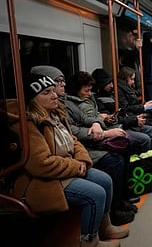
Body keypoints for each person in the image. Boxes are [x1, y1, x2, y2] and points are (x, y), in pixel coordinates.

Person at [7, 73, 129, 247]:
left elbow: (74, 141)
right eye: (46, 92)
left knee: (106, 180)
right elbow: (41, 164)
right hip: (44, 181)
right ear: (33, 99)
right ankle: (89, 241)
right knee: (95, 194)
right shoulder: (27, 125)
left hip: (67, 169)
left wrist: (82, 161)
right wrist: (75, 166)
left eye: (53, 91)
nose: (54, 95)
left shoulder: (55, 114)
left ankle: (105, 227)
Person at [30, 65, 137, 226]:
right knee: (113, 162)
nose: (61, 87)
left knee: (121, 155)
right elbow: (42, 163)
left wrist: (96, 123)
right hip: (59, 173)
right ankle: (104, 221)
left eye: (60, 83)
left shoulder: (58, 110)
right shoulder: (33, 123)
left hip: (77, 155)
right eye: (50, 89)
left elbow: (73, 137)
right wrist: (78, 163)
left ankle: (115, 208)